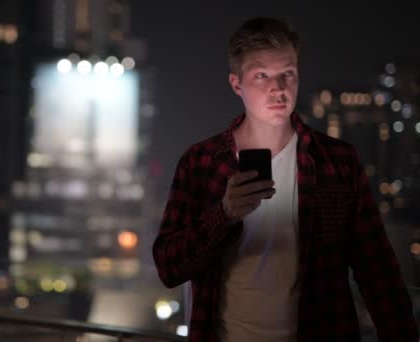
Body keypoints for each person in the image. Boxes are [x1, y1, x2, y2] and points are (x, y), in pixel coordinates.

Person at [152, 17, 418, 341]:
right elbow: (168, 266)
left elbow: (378, 272)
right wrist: (223, 215)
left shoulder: (337, 162)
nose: (278, 88)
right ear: (237, 84)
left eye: (287, 74)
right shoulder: (200, 163)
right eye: (261, 75)